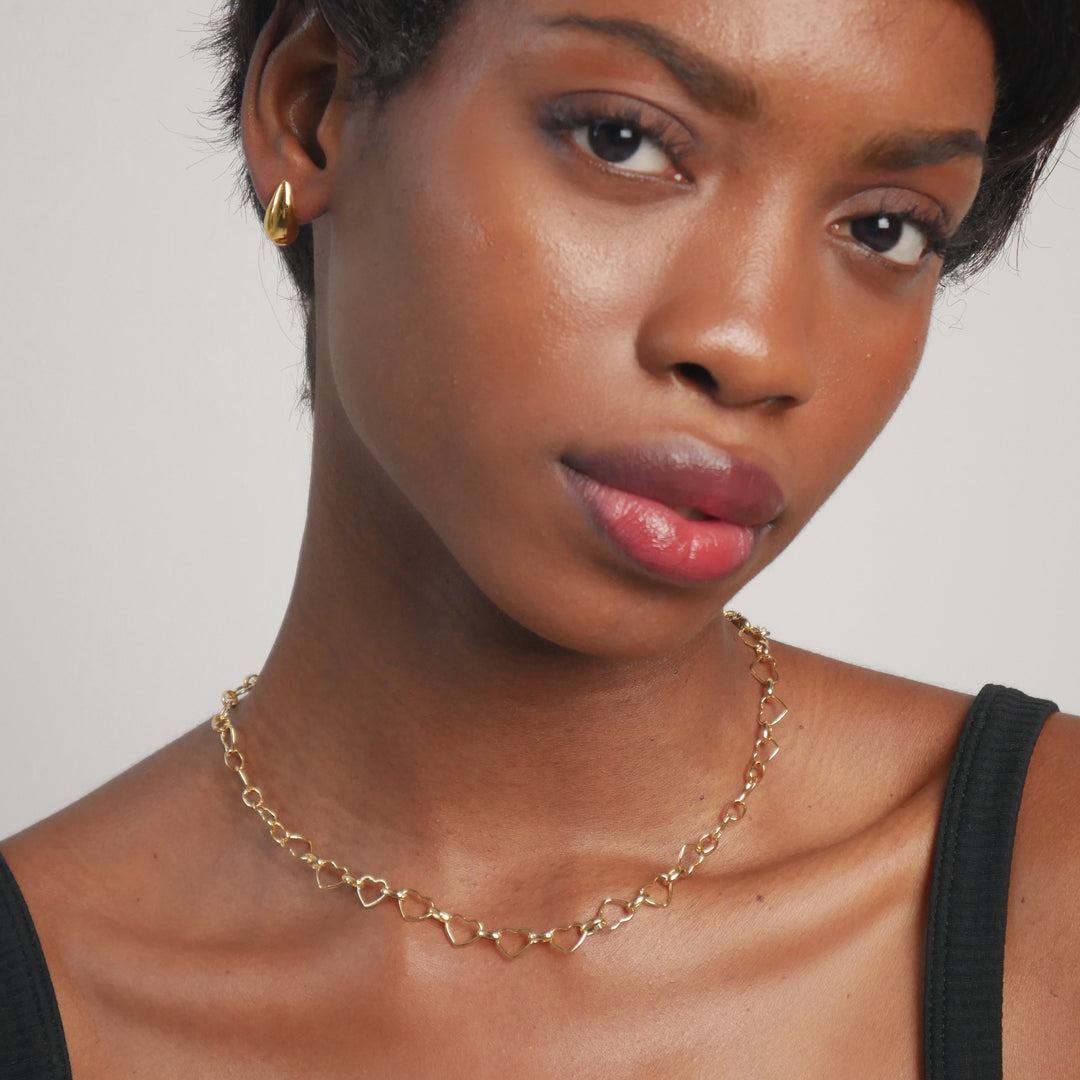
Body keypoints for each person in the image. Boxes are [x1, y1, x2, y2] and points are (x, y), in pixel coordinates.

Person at [2, 0, 1079, 1076]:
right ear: (313, 106)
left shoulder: (1051, 882)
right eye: (625, 139)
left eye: (886, 227)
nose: (754, 346)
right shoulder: (50, 978)